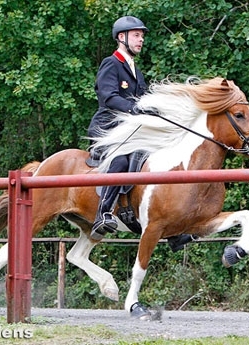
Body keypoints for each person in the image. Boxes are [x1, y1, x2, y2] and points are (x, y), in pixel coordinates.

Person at [87, 16, 197, 251]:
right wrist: (133, 108)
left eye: (142, 35)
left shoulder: (136, 69)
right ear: (121, 37)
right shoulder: (111, 63)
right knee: (121, 159)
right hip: (108, 128)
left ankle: (172, 230)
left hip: (131, 128)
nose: (141, 40)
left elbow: (143, 99)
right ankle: (103, 213)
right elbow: (108, 97)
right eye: (137, 35)